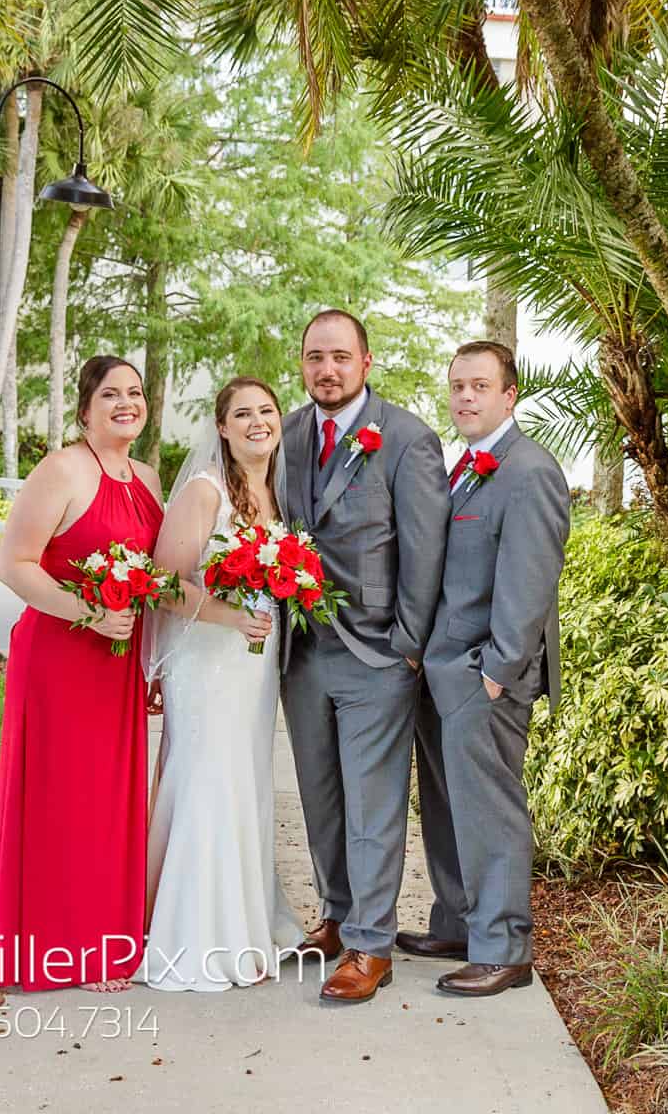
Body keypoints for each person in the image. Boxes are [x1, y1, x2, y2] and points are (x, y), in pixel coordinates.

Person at [279, 308, 451, 1004]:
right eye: (315, 357)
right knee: (320, 797)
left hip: (378, 652)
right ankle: (336, 915)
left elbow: (426, 552)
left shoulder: (407, 439)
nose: (327, 369)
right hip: (301, 650)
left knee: (374, 803)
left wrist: (407, 648)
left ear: (366, 362)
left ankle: (371, 946)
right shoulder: (286, 433)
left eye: (340, 357)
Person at [399, 340, 571, 997]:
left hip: (484, 676)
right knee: (445, 805)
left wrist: (495, 670)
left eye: (479, 386)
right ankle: (460, 922)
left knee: (490, 808)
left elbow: (529, 584)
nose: (465, 397)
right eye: (457, 386)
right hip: (441, 671)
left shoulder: (529, 471)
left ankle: (503, 948)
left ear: (509, 395)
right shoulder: (463, 467)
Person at [0, 355, 165, 993]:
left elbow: (155, 577)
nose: (126, 403)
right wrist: (86, 613)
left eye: (136, 393)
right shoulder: (60, 469)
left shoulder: (145, 476)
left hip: (118, 663)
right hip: (62, 657)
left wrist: (155, 660)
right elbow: (15, 564)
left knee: (111, 799)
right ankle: (64, 950)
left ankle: (109, 938)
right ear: (85, 409)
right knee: (64, 798)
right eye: (111, 394)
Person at [136, 377, 308, 991]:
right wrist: (231, 616)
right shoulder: (205, 492)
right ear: (222, 428)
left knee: (246, 779)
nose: (258, 421)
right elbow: (161, 583)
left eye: (266, 410)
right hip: (209, 661)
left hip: (253, 664)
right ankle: (199, 934)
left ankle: (246, 922)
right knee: (209, 778)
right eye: (243, 413)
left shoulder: (276, 491)